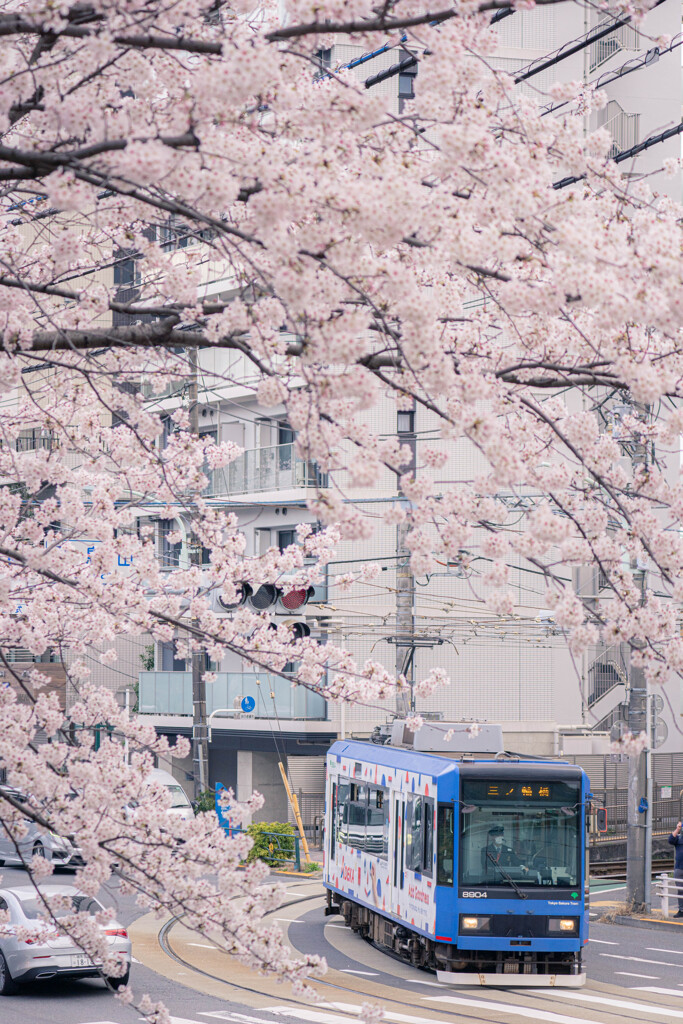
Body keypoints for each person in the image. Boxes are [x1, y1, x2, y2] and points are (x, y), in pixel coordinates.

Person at [668, 820, 683, 917]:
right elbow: (670, 840)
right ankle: (681, 910)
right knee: (680, 890)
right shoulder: (679, 838)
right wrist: (677, 829)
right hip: (679, 868)